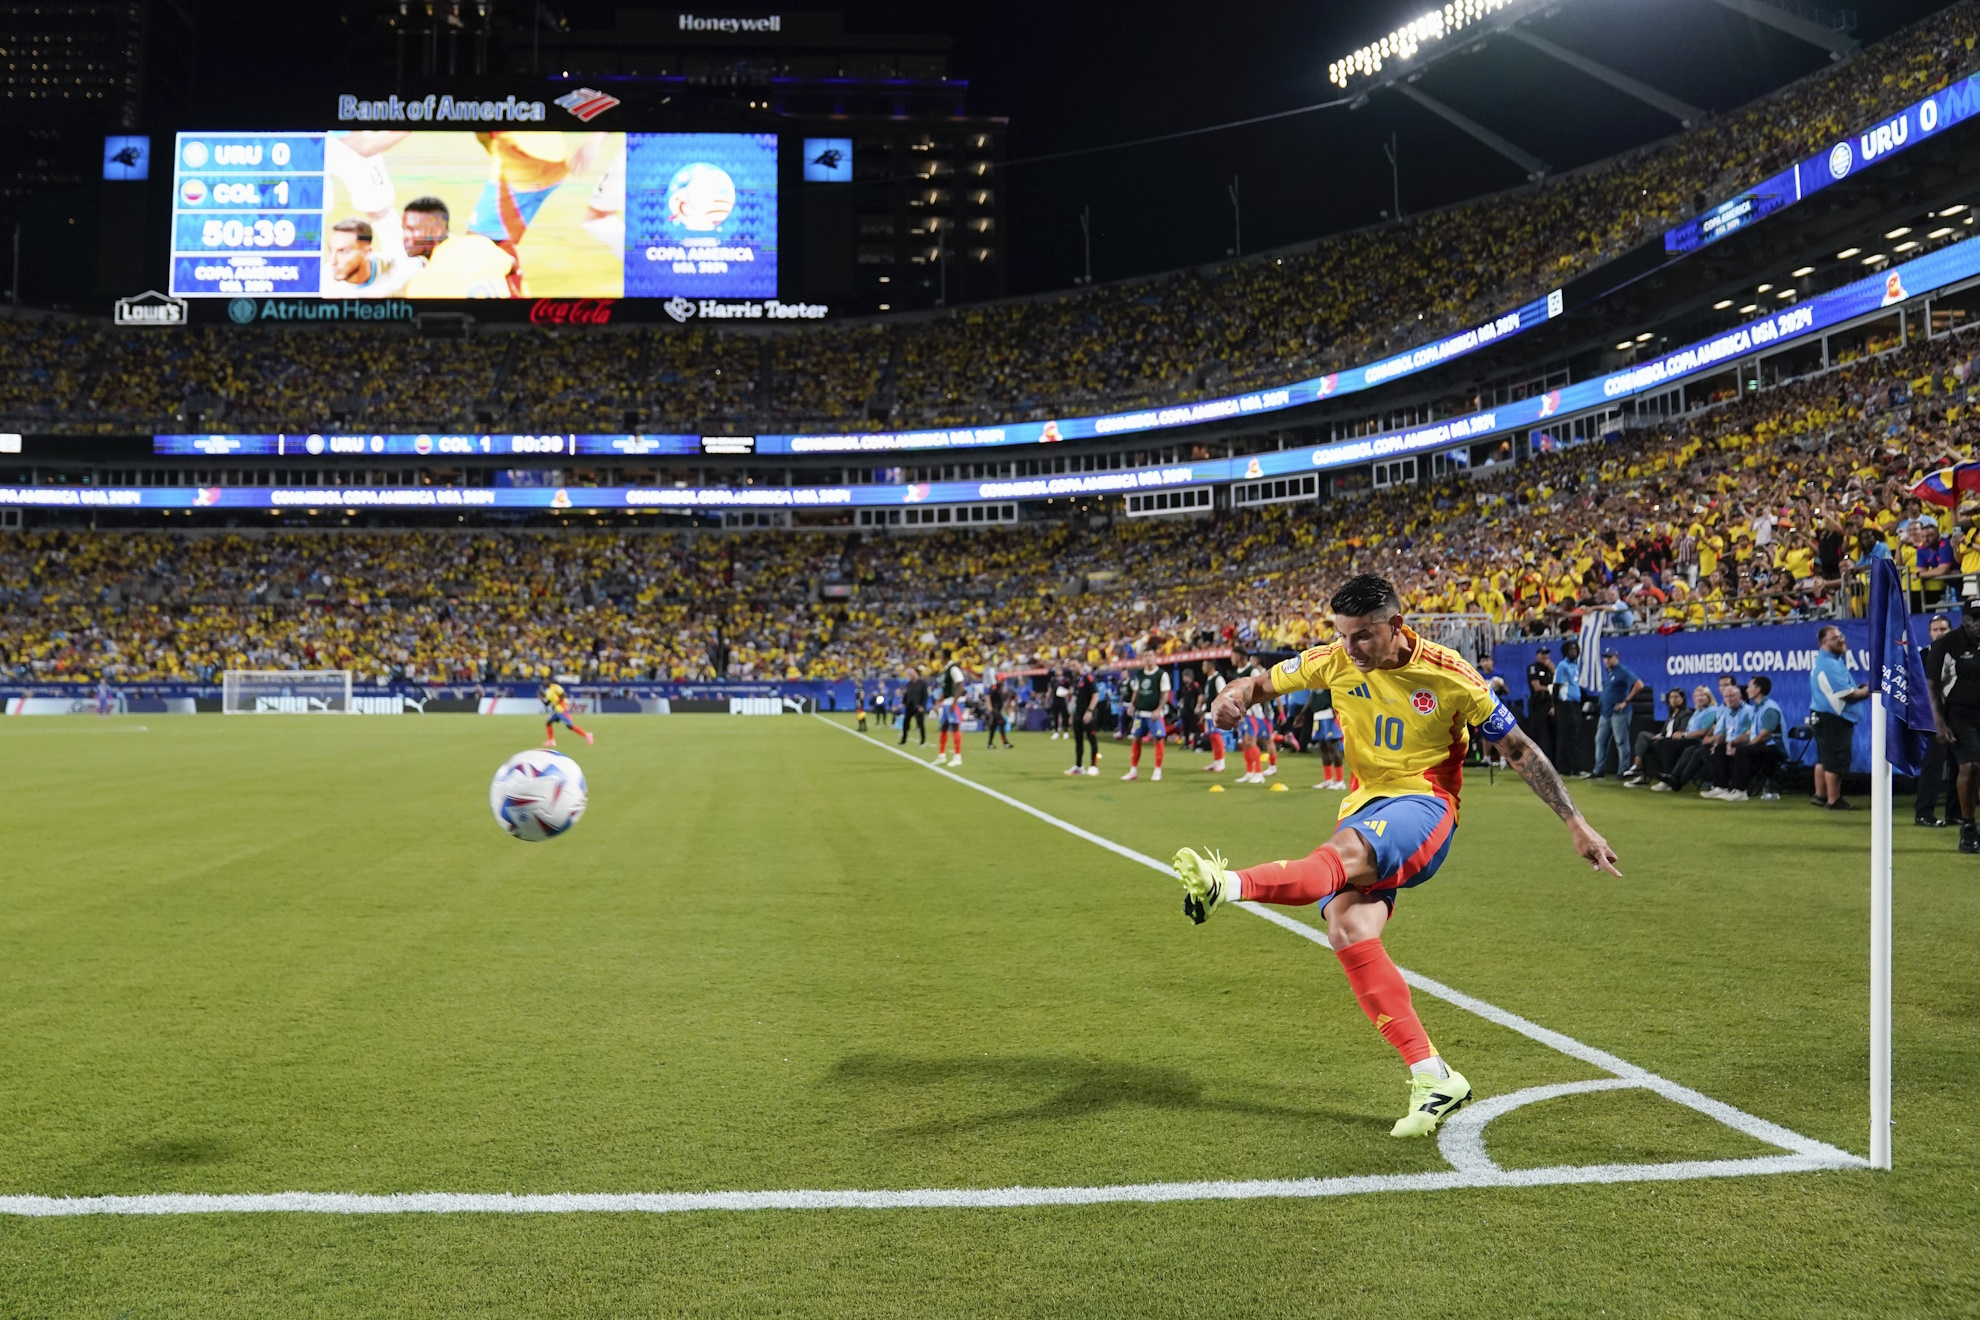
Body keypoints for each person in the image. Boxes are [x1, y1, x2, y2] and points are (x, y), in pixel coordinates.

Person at [1171, 575, 1620, 1139]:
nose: (1350, 649)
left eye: (1362, 637)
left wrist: (1575, 823)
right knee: (1348, 928)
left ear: (1396, 626)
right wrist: (1226, 700)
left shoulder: (1450, 674)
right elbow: (1256, 685)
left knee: (1339, 856)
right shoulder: (1333, 660)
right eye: (1341, 636)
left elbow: (1519, 749)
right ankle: (1434, 1076)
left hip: (1425, 805)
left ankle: (1226, 885)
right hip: (1363, 804)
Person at [1923, 599, 1980, 854]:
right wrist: (1939, 724)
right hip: (1959, 715)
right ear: (1964, 619)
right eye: (1973, 619)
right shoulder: (1946, 645)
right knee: (1970, 765)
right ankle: (1968, 827)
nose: (1978, 624)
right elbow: (1932, 686)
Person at [1810, 624, 1869, 810]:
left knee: (1824, 758)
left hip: (1822, 716)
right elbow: (1845, 693)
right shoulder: (1829, 664)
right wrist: (1866, 692)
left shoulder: (1828, 660)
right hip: (1833, 718)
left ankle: (1820, 795)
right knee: (1835, 760)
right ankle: (1833, 800)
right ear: (1823, 642)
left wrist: (1857, 689)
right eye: (1836, 638)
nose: (1842, 639)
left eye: (1841, 635)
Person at [1914, 615, 1960, 828]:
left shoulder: (1963, 653)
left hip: (1960, 717)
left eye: (1943, 628)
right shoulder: (1922, 657)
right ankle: (1924, 812)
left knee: (1960, 765)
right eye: (1935, 629)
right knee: (1933, 764)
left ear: (1951, 630)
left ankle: (1954, 813)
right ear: (1930, 633)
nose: (1939, 632)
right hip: (1935, 718)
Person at [1708, 675, 1785, 802]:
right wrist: (1733, 743)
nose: (1747, 690)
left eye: (1749, 687)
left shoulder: (1769, 708)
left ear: (1758, 689)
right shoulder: (1756, 708)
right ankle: (1720, 786)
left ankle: (1739, 791)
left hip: (1773, 748)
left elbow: (1765, 735)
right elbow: (1751, 732)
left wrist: (1746, 746)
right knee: (1722, 747)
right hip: (1760, 746)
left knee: (1743, 751)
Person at [1647, 686, 1725, 791]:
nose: (1700, 698)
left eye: (1703, 695)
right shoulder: (1697, 712)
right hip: (1690, 740)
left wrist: (1684, 735)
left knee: (1669, 745)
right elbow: (1689, 729)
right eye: (1697, 695)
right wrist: (1682, 734)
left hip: (1698, 740)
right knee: (1670, 745)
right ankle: (1672, 778)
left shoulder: (1711, 710)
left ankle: (1669, 776)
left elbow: (1703, 731)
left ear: (1709, 697)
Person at [1593, 649, 1645, 781]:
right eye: (1605, 657)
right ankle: (1598, 770)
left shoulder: (1623, 671)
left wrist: (1626, 701)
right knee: (1600, 740)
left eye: (1609, 657)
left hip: (1620, 713)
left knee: (1621, 742)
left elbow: (1639, 685)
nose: (1607, 660)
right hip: (1605, 713)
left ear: (1617, 657)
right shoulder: (1607, 672)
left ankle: (1623, 771)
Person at [1621, 688, 1688, 786]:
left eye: (1676, 697)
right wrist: (1660, 735)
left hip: (1673, 743)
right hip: (1663, 740)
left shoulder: (1686, 713)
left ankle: (1640, 769)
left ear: (1682, 699)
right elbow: (1664, 731)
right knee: (1643, 736)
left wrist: (1664, 737)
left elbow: (1682, 730)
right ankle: (1638, 770)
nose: (1673, 699)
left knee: (1661, 743)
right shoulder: (1671, 715)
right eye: (1671, 697)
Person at [1119, 658, 1172, 782]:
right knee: (1136, 738)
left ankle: (1157, 770)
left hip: (1154, 713)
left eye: (1151, 655)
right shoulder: (1140, 674)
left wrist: (1159, 709)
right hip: (1140, 713)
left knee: (1158, 739)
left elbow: (1165, 694)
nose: (1149, 658)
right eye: (1146, 655)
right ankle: (1133, 771)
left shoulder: (1161, 674)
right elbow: (1136, 691)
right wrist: (1132, 705)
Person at [1553, 638, 1587, 778]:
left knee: (1569, 736)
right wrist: (1554, 705)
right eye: (1571, 649)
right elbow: (1556, 686)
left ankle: (1564, 768)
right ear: (1566, 651)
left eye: (1575, 649)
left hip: (1575, 703)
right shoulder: (1562, 666)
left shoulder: (1575, 666)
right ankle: (1575, 769)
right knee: (1570, 737)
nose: (1573, 651)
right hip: (1565, 704)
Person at [1066, 663, 1103, 777]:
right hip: (1078, 714)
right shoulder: (1076, 680)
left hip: (1087, 713)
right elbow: (1075, 699)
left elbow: (1095, 695)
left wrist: (1090, 711)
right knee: (1078, 741)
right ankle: (1078, 766)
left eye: (1074, 665)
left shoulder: (1088, 678)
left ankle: (1094, 766)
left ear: (1080, 665)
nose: (1072, 668)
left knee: (1092, 739)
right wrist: (1072, 714)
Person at [934, 650, 969, 767]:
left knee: (955, 727)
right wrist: (940, 700)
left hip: (953, 702)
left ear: (945, 656)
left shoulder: (953, 669)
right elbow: (947, 687)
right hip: (947, 701)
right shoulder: (946, 670)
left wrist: (954, 702)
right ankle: (941, 755)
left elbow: (960, 684)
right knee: (943, 727)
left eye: (941, 656)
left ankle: (957, 756)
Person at [1310, 687, 1346, 790]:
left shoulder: (1327, 678)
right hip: (1317, 715)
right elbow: (1312, 697)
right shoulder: (1313, 680)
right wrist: (1303, 714)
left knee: (1332, 746)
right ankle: (1328, 779)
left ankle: (1340, 781)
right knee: (1323, 747)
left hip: (1329, 714)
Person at [540, 681, 593, 748]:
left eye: (546, 681)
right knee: (548, 723)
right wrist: (541, 699)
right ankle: (551, 741)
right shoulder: (548, 692)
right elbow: (547, 703)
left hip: (563, 708)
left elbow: (563, 695)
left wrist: (557, 702)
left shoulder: (555, 687)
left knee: (569, 725)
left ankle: (587, 735)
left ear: (550, 682)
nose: (545, 683)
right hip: (557, 710)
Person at [1524, 644, 1555, 754]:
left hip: (1549, 703)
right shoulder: (1533, 668)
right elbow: (1536, 687)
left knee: (1550, 732)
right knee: (1538, 731)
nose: (1545, 656)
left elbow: (1558, 682)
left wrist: (1552, 669)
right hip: (1537, 704)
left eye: (1547, 653)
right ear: (1537, 655)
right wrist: (1549, 688)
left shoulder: (1550, 668)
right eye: (1542, 654)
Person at [1200, 659, 1229, 773]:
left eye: (1204, 664)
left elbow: (1223, 694)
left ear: (1211, 666)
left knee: (1217, 736)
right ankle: (1216, 761)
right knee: (1212, 737)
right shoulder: (1209, 679)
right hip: (1208, 713)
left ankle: (1221, 762)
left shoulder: (1218, 679)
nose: (1203, 667)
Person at [898, 668, 928, 747]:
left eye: (911, 673)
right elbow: (907, 694)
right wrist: (903, 703)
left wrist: (922, 706)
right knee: (905, 723)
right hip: (909, 706)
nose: (910, 675)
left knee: (921, 724)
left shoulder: (922, 683)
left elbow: (925, 696)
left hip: (918, 706)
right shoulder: (910, 683)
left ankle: (923, 741)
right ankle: (903, 740)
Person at [985, 679, 1013, 750]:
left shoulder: (1000, 688)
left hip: (998, 710)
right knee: (1002, 723)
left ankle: (990, 743)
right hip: (995, 710)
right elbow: (988, 696)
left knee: (993, 727)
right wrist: (990, 708)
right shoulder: (994, 688)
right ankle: (1005, 743)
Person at [1049, 670, 1071, 740]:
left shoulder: (1065, 681)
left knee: (1064, 715)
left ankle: (1065, 731)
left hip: (1063, 700)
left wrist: (1066, 693)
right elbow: (1051, 690)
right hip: (1055, 700)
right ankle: (1056, 732)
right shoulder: (1053, 680)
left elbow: (1070, 690)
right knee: (1055, 715)